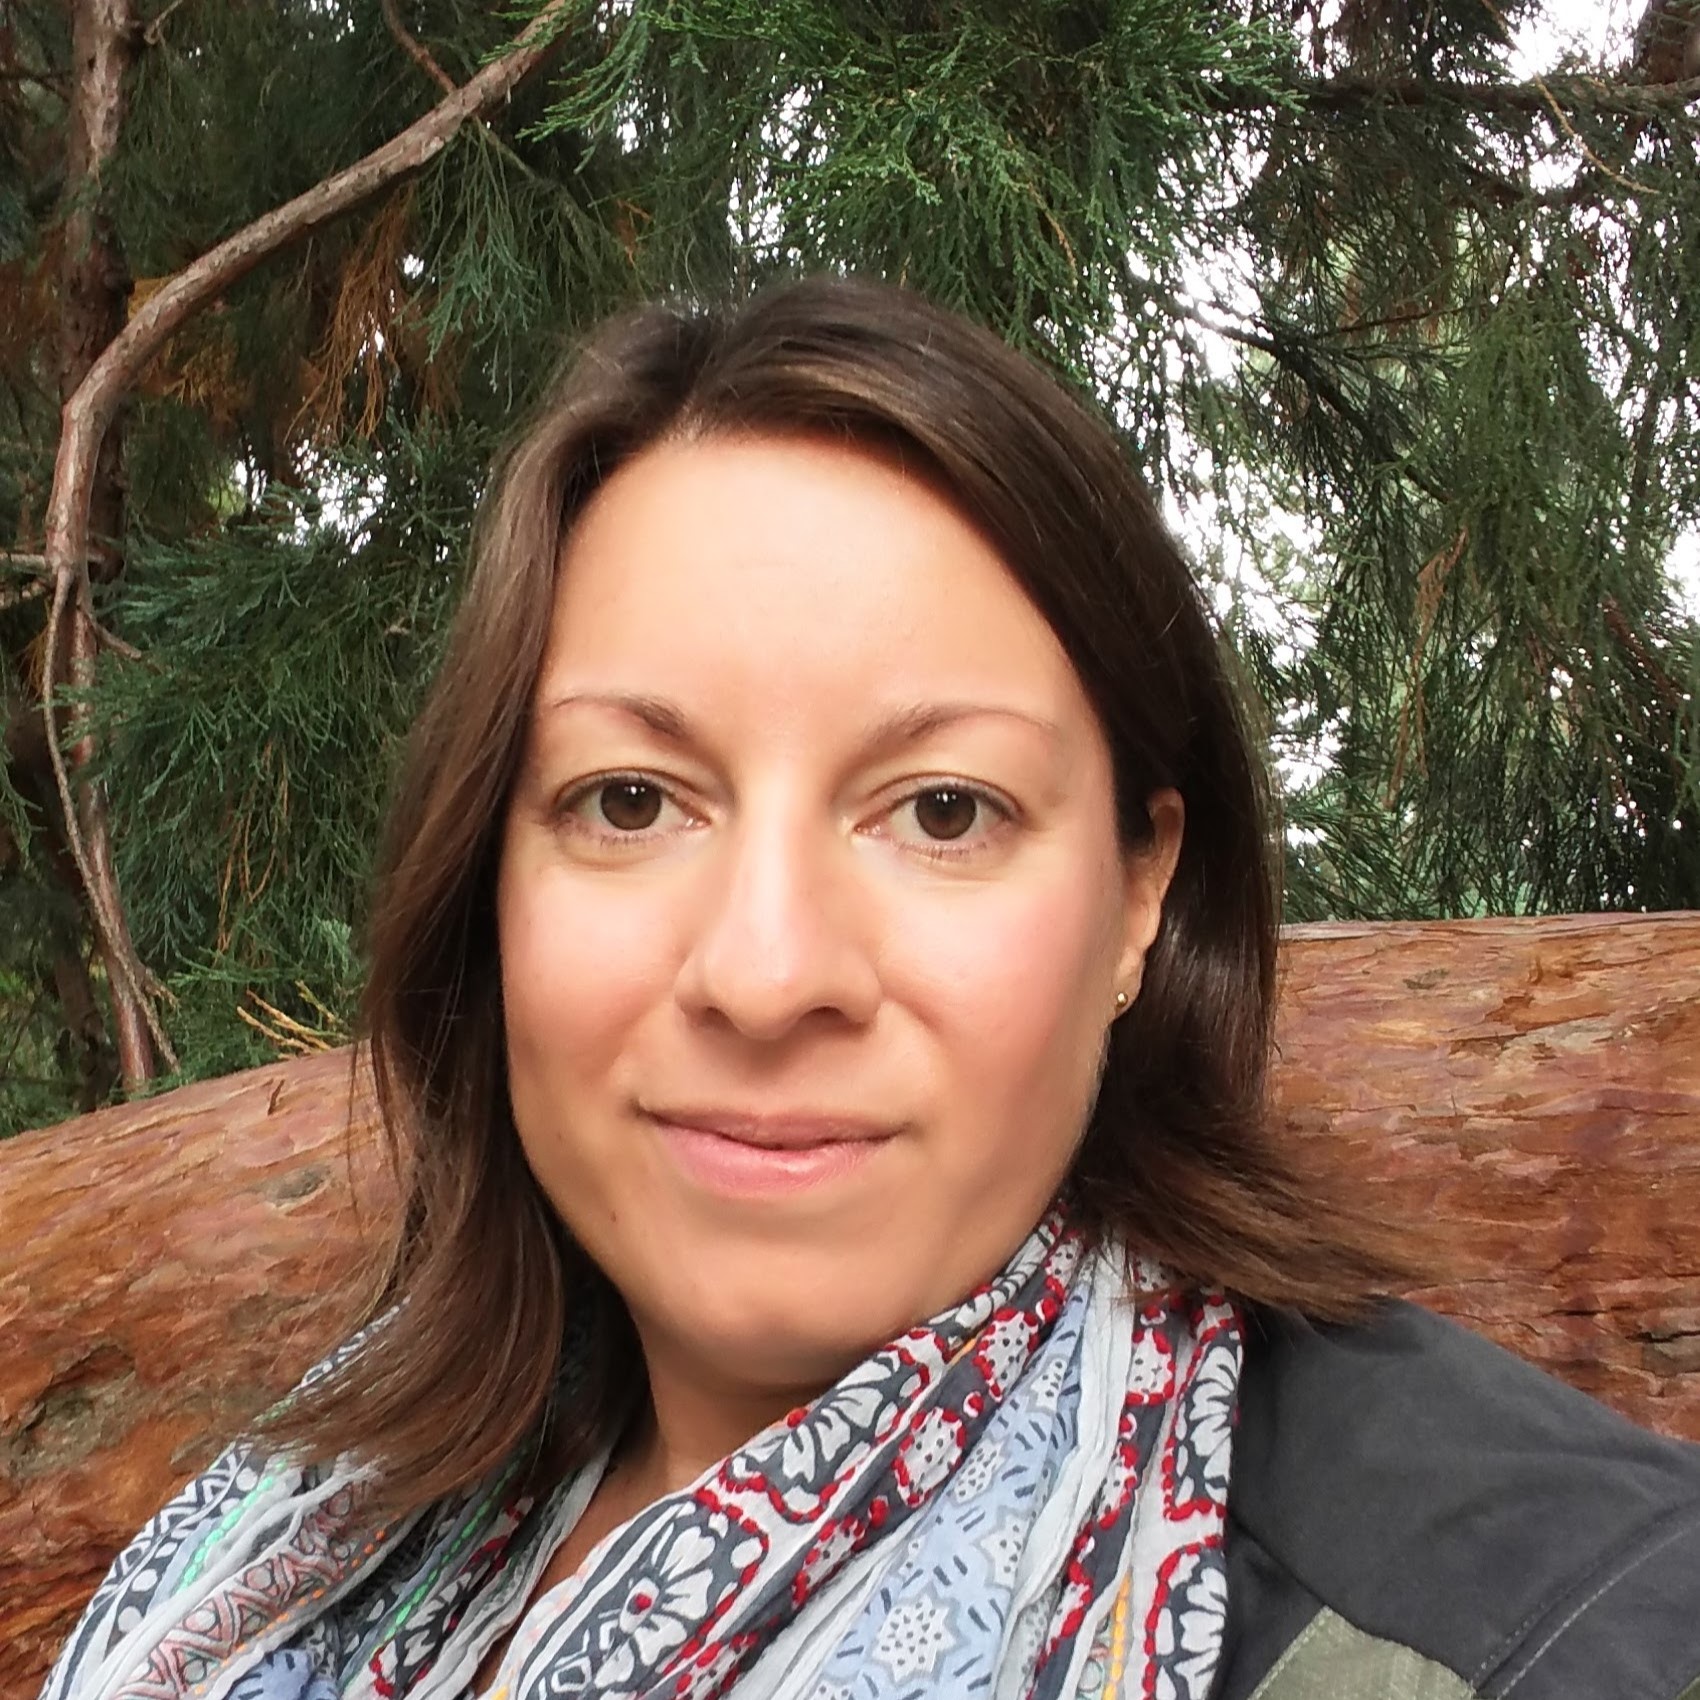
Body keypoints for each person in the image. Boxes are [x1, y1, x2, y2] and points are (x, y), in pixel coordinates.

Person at [40, 277, 1700, 1700]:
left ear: (1139, 895)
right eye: (631, 801)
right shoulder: (311, 1525)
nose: (767, 975)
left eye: (944, 811)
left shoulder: (1552, 1630)